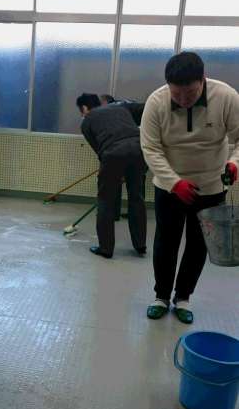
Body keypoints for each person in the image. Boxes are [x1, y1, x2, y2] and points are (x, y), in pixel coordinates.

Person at [141, 51, 239, 324]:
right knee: (166, 242)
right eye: (177, 94)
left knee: (198, 245)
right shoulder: (156, 102)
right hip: (169, 187)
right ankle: (161, 296)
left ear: (203, 80)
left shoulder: (226, 97)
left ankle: (183, 297)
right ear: (168, 86)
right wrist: (174, 182)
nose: (183, 100)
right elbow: (150, 148)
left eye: (191, 93)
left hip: (211, 187)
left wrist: (234, 163)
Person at [76, 93, 147, 259]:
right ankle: (140, 245)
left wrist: (113, 171)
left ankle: (106, 248)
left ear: (84, 108)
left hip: (112, 153)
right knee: (137, 197)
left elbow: (99, 150)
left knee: (105, 200)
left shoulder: (87, 122)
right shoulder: (119, 108)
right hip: (139, 150)